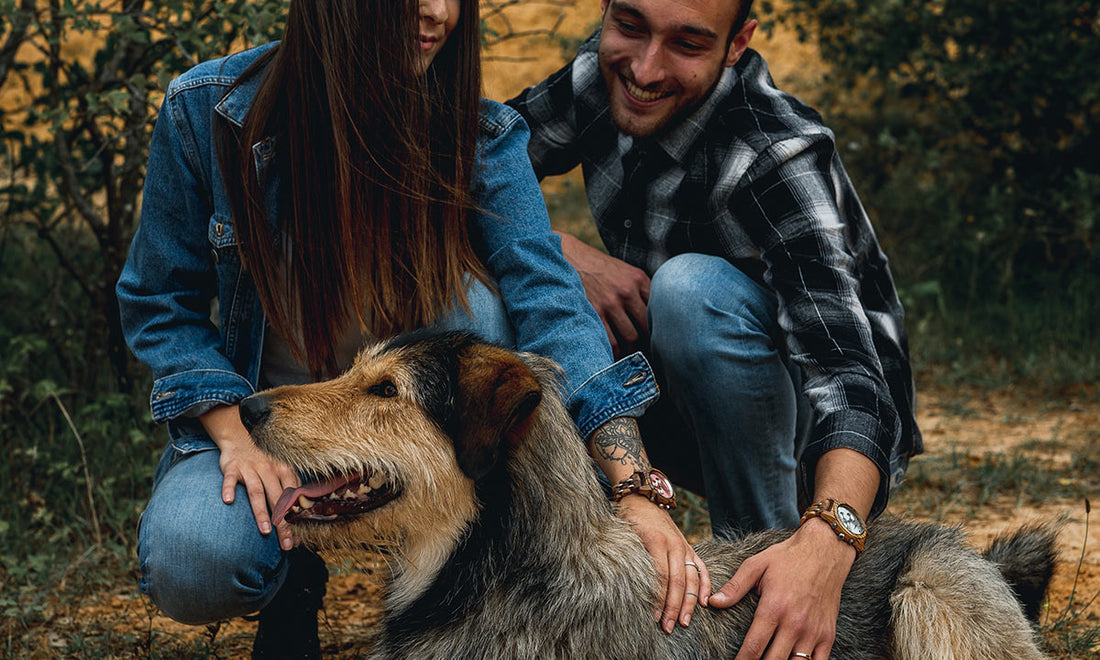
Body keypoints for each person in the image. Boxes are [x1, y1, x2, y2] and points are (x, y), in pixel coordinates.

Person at [116, 1, 714, 657]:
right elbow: (159, 300)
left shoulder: (480, 135)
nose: (438, 10)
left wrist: (630, 486)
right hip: (262, 417)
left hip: (403, 426)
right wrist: (235, 437)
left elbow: (548, 297)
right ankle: (291, 587)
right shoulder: (206, 112)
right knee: (195, 559)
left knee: (485, 319)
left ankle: (467, 589)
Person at [508, 0, 924, 657]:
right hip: (681, 386)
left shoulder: (775, 152)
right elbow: (464, 173)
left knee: (691, 291)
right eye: (631, 26)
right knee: (529, 303)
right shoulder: (599, 75)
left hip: (824, 443)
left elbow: (854, 389)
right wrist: (557, 247)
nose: (645, 67)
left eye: (688, 44)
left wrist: (830, 536)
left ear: (737, 45)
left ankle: (770, 582)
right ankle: (567, 593)